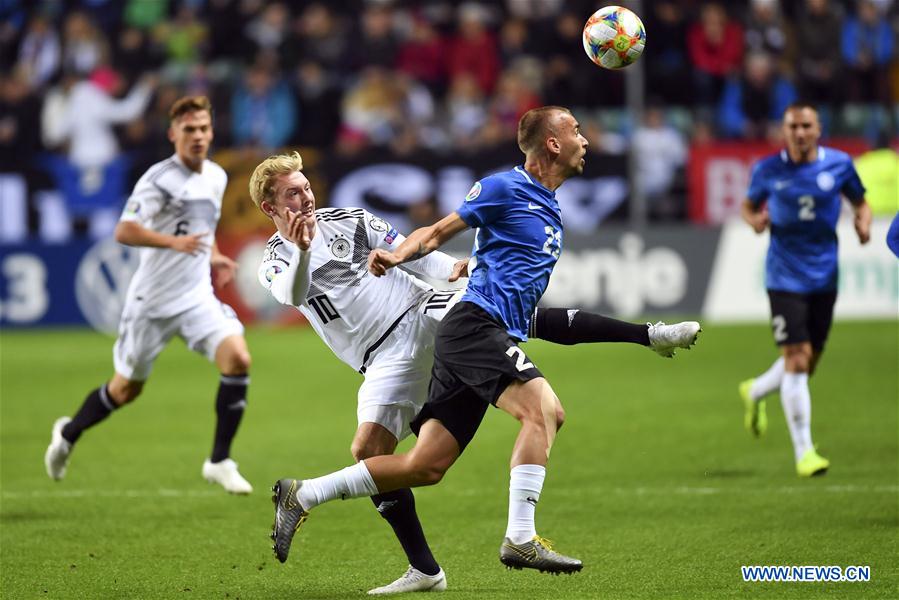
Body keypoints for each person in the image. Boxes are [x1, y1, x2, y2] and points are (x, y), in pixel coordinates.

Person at [268, 107, 701, 577]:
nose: (306, 197)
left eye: (307, 187)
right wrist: (328, 251)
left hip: (426, 313)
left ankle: (310, 494)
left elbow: (426, 255)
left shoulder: (351, 219)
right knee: (375, 451)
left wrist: (443, 266)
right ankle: (446, 559)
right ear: (271, 207)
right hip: (387, 354)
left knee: (439, 453)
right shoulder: (276, 257)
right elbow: (298, 292)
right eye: (293, 193)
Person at [44, 96, 254, 494]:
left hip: (196, 297)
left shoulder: (216, 176)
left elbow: (202, 230)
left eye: (204, 129)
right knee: (125, 389)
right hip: (152, 304)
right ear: (173, 133)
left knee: (238, 358)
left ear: (212, 132)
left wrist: (215, 255)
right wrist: (171, 244)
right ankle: (68, 433)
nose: (197, 136)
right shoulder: (158, 180)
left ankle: (220, 460)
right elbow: (125, 230)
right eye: (189, 129)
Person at [738, 102, 871, 477]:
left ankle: (756, 390)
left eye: (806, 126)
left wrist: (863, 225)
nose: (799, 133)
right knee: (797, 359)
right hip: (784, 278)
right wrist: (756, 221)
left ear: (818, 129)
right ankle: (804, 453)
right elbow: (748, 207)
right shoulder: (768, 169)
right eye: (792, 126)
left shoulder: (840, 165)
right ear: (784, 131)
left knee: (805, 364)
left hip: (825, 277)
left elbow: (861, 203)